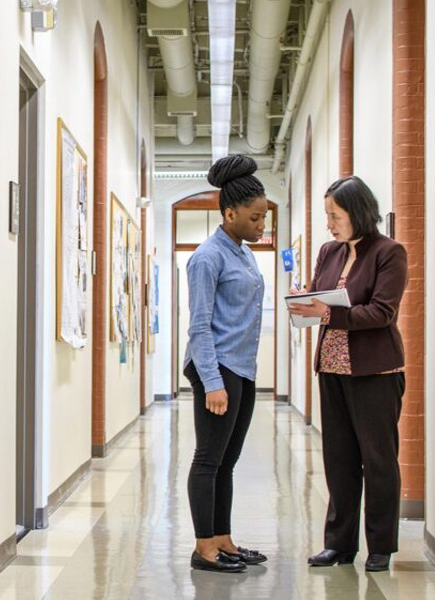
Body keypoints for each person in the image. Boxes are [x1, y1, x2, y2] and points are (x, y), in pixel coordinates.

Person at [288, 176, 408, 573]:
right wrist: (305, 301)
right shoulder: (329, 252)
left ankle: (380, 546)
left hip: (375, 372)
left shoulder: (389, 253)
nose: (329, 223)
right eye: (327, 215)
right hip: (333, 369)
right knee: (338, 459)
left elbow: (382, 312)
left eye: (334, 215)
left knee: (378, 461)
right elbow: (320, 295)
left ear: (358, 212)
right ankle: (338, 544)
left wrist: (326, 312)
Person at [184, 155, 269, 573]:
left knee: (228, 461)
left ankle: (224, 539)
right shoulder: (207, 257)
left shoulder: (243, 252)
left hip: (243, 367)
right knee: (208, 460)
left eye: (264, 218)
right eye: (254, 218)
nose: (261, 226)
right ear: (230, 213)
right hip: (217, 369)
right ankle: (204, 549)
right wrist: (212, 382)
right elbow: (199, 328)